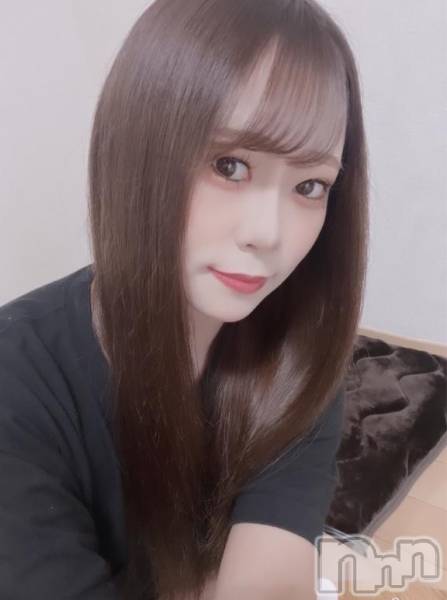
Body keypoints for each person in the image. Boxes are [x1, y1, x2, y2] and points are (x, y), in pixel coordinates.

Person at [0, 0, 369, 598]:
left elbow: (271, 575)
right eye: (230, 165)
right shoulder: (19, 386)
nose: (268, 233)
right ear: (135, 149)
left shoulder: (298, 349)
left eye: (310, 185)